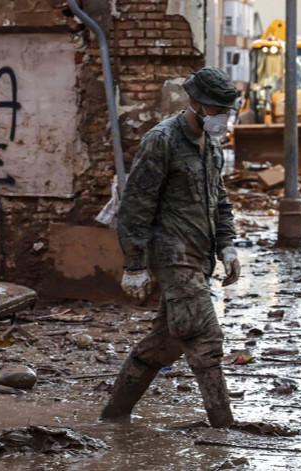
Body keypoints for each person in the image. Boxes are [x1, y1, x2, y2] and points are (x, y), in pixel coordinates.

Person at [101, 67, 241, 428]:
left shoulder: (211, 145)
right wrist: (134, 265)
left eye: (227, 110)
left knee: (165, 344)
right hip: (171, 255)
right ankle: (224, 427)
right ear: (194, 104)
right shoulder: (160, 141)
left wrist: (227, 246)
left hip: (199, 257)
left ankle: (114, 416)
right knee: (204, 336)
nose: (223, 117)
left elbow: (219, 200)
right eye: (216, 110)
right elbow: (134, 206)